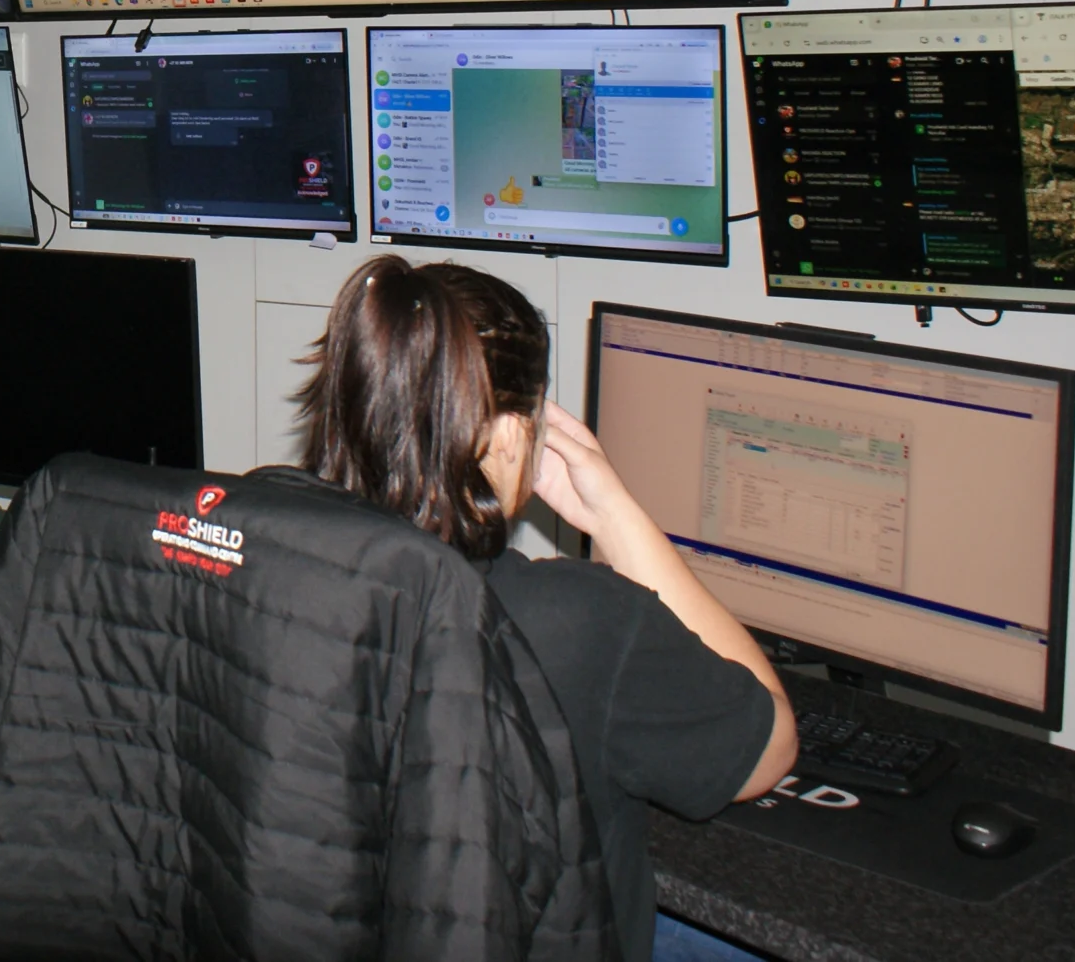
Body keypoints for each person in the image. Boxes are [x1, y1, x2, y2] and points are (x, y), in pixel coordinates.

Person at [295, 256, 798, 962]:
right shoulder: (575, 620)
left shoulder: (286, 571)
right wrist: (615, 513)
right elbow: (768, 749)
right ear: (508, 437)